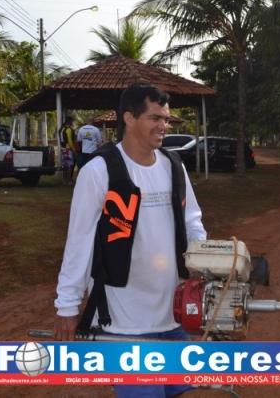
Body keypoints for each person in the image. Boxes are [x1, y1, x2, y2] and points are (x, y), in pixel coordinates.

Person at [54, 83, 206, 398]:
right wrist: (67, 305)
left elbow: (192, 221)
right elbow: (79, 241)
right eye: (155, 118)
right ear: (129, 118)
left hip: (172, 314)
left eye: (166, 119)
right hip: (124, 321)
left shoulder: (173, 166)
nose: (163, 126)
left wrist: (204, 262)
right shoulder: (99, 171)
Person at [58, 115, 79, 185]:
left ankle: (64, 180)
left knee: (65, 164)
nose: (73, 123)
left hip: (63, 148)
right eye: (72, 122)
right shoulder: (69, 129)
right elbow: (70, 141)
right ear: (70, 122)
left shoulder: (61, 129)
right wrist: (74, 150)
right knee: (70, 165)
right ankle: (69, 180)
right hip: (68, 149)